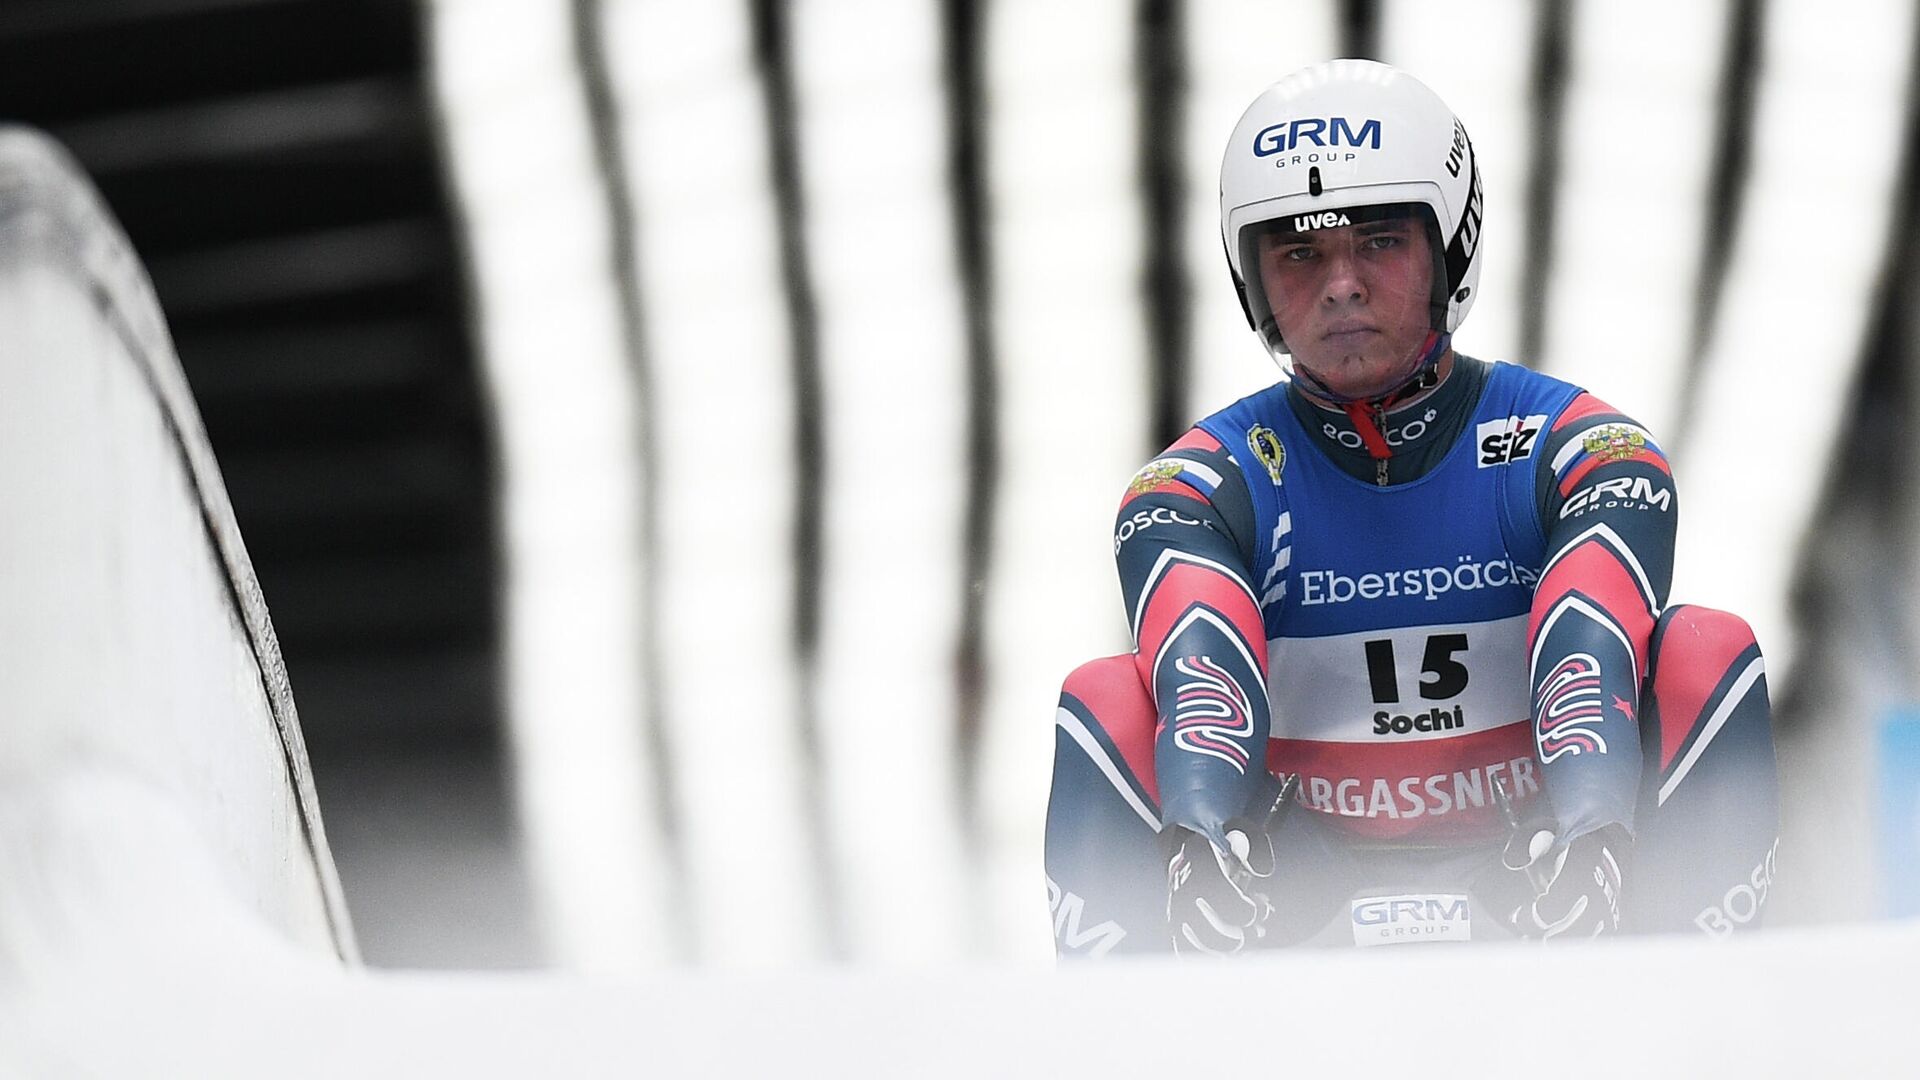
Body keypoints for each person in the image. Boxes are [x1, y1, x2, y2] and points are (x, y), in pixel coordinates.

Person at [1044, 58, 1779, 957]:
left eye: (1380, 242)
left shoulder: (1587, 446)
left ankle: (1701, 1000)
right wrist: (1195, 836)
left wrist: (1594, 829)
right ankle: (1127, 1021)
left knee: (1706, 649)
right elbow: (1200, 660)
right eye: (1299, 253)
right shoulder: (1193, 481)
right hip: (1278, 890)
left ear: (1451, 249)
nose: (1341, 284)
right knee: (1104, 697)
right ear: (1251, 278)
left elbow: (1590, 636)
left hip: (1552, 871)